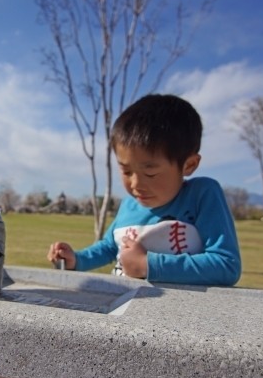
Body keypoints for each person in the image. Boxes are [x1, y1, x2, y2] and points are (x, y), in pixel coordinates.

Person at [47, 94, 241, 286]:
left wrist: (147, 265)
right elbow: (109, 248)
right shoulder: (129, 204)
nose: (135, 184)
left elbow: (226, 265)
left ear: (189, 165)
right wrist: (76, 260)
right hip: (121, 308)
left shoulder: (201, 194)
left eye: (150, 173)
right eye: (126, 170)